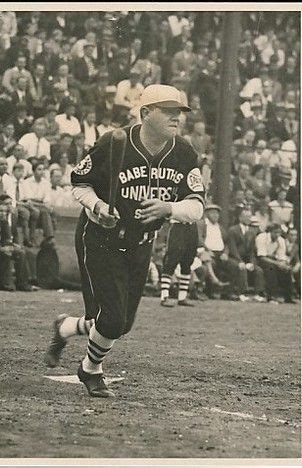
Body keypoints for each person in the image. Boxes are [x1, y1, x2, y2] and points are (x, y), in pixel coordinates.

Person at [44, 84, 205, 398]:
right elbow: (79, 183)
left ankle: (64, 327)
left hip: (141, 243)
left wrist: (169, 208)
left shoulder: (184, 152)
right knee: (113, 319)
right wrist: (99, 206)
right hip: (100, 238)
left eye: (180, 113)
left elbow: (197, 206)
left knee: (118, 323)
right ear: (146, 113)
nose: (177, 118)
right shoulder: (114, 142)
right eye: (169, 111)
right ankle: (90, 370)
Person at [0, 201, 33, 292]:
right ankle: (3, 283)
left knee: (21, 253)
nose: (3, 214)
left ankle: (23, 283)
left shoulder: (4, 222)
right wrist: (1, 248)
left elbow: (6, 240)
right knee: (5, 253)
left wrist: (13, 246)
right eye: (0, 211)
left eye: (5, 211)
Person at [227, 208, 265, 302]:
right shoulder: (233, 230)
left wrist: (252, 262)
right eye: (246, 216)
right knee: (241, 267)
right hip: (232, 258)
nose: (249, 219)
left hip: (245, 259)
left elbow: (251, 251)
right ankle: (241, 293)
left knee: (258, 270)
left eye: (249, 216)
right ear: (240, 218)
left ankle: (257, 294)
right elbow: (232, 249)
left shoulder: (251, 232)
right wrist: (240, 261)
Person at [159, 220, 198, 307]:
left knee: (188, 262)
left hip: (192, 225)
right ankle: (164, 296)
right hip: (178, 225)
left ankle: (182, 297)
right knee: (171, 260)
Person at [255, 223, 295, 303]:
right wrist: (277, 263)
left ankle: (288, 297)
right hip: (259, 259)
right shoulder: (261, 237)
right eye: (275, 232)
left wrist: (283, 265)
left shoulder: (281, 240)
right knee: (271, 268)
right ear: (270, 232)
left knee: (286, 270)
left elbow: (281, 257)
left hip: (273, 260)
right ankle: (271, 296)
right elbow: (261, 257)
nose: (277, 235)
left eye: (279, 232)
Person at [22, 160, 55, 245]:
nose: (42, 172)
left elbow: (47, 200)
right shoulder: (26, 182)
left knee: (47, 212)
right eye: (39, 169)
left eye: (43, 169)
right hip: (29, 206)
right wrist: (43, 205)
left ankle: (48, 238)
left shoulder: (46, 183)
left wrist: (44, 205)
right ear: (33, 171)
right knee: (45, 211)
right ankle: (49, 237)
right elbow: (28, 200)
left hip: (41, 206)